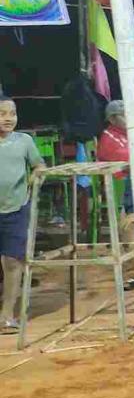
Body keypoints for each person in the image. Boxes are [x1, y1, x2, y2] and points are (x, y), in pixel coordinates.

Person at [0, 96, 45, 333]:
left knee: (12, 262)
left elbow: (39, 165)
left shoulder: (24, 141)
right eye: (2, 114)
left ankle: (7, 316)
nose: (8, 118)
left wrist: (35, 177)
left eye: (12, 113)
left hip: (16, 209)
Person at [95, 100, 130, 177]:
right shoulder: (108, 137)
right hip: (120, 179)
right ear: (112, 119)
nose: (129, 118)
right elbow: (127, 158)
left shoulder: (129, 133)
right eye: (124, 115)